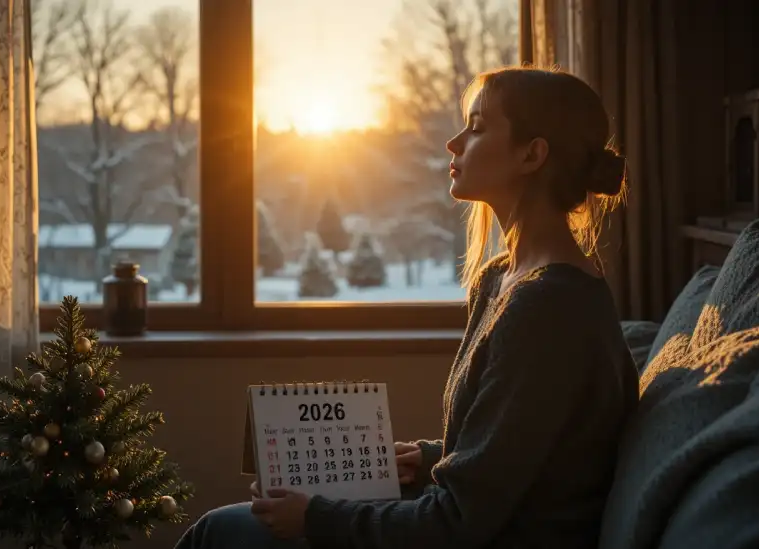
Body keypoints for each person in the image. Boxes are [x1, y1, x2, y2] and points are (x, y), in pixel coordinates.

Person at [174, 66, 640, 549]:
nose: (453, 143)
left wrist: (316, 519)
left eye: (477, 127)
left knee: (219, 533)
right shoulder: (501, 279)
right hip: (470, 523)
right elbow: (521, 453)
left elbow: (460, 521)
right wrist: (428, 458)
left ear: (532, 153)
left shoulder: (548, 310)